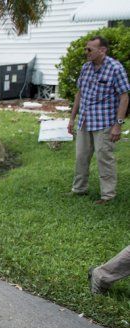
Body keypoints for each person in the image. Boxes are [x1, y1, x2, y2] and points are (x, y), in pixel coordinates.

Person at [68, 35, 130, 205]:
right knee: (81, 156)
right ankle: (79, 189)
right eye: (85, 49)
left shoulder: (115, 68)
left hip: (104, 123)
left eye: (89, 49)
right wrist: (72, 119)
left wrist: (118, 125)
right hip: (85, 121)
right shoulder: (85, 68)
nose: (86, 52)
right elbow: (79, 94)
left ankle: (108, 195)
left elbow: (124, 97)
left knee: (104, 158)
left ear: (102, 50)